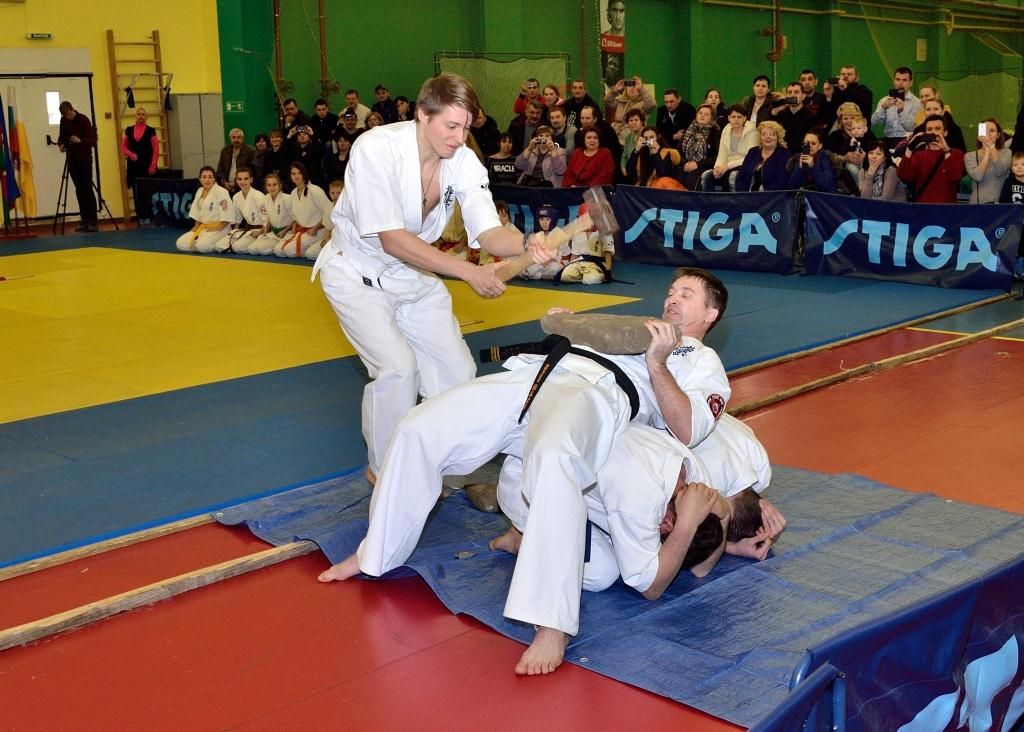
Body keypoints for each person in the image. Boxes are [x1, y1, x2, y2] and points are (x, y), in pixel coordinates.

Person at [318, 267, 732, 677]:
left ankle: (551, 623)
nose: (673, 298)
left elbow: (688, 428)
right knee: (420, 426)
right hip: (540, 372)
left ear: (710, 314)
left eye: (687, 294)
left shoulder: (701, 360)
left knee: (555, 461)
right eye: (672, 290)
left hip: (599, 394)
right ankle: (374, 554)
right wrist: (571, 327)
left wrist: (657, 363)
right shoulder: (632, 327)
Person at [311, 73, 552, 481]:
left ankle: (447, 463)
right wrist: (468, 271)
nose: (459, 138)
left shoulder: (463, 160)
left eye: (466, 127)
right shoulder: (376, 149)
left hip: (413, 275)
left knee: (457, 374)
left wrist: (529, 243)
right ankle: (386, 472)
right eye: (451, 126)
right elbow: (391, 239)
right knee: (398, 370)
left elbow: (488, 231)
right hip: (355, 272)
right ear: (423, 114)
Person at [897, 114, 966, 204]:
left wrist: (946, 150)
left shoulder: (956, 154)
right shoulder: (919, 156)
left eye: (937, 128)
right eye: (929, 129)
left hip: (947, 208)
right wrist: (910, 148)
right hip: (923, 208)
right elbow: (904, 175)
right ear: (925, 133)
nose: (933, 132)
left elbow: (955, 177)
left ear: (945, 132)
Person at [274, 161, 333, 258]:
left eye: (299, 173)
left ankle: (319, 245)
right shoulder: (293, 193)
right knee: (278, 250)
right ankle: (309, 247)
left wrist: (316, 228)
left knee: (289, 251)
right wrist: (294, 226)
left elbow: (329, 211)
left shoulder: (315, 190)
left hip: (317, 231)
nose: (296, 176)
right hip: (302, 231)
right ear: (290, 176)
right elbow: (296, 215)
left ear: (304, 174)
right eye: (293, 174)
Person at [57, 101, 98, 232]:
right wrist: (61, 144)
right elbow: (62, 136)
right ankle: (84, 220)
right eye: (65, 116)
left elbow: (93, 140)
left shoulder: (83, 120)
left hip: (84, 159)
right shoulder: (63, 121)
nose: (68, 118)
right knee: (79, 190)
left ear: (72, 109)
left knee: (87, 189)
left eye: (69, 114)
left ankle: (93, 221)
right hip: (72, 159)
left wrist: (80, 140)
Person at [175, 166, 232, 253]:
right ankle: (201, 245)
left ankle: (220, 246)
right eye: (204, 177)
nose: (207, 180)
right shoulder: (199, 191)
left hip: (220, 228)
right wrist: (196, 226)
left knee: (202, 247)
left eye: (210, 177)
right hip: (203, 228)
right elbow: (196, 211)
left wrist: (218, 228)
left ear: (214, 179)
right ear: (200, 179)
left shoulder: (221, 191)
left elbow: (227, 214)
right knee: (180, 244)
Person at [701, 104, 758, 192]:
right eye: (733, 117)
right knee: (706, 175)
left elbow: (750, 157)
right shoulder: (725, 130)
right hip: (727, 167)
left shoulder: (753, 132)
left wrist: (727, 166)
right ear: (729, 118)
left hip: (745, 167)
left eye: (739, 117)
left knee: (733, 176)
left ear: (745, 118)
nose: (736, 119)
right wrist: (717, 168)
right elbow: (722, 154)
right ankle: (710, 201)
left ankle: (733, 201)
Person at [555, 202, 614, 285]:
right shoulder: (578, 233)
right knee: (565, 276)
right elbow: (574, 254)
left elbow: (608, 254)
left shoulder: (604, 232)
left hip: (597, 263)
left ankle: (595, 276)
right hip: (581, 261)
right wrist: (570, 265)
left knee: (590, 280)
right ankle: (583, 277)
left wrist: (608, 271)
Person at [120, 106, 159, 219]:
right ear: (135, 116)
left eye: (143, 114)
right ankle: (140, 216)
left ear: (146, 117)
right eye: (139, 114)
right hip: (134, 166)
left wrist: (153, 165)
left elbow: (156, 149)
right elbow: (123, 147)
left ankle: (150, 215)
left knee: (148, 191)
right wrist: (131, 154)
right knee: (136, 191)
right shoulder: (129, 130)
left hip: (147, 165)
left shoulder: (151, 131)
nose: (141, 116)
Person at [870, 66, 920, 150]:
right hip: (888, 140)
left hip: (907, 141)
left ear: (911, 82)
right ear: (894, 81)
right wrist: (883, 109)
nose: (900, 83)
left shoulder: (917, 103)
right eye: (898, 79)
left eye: (904, 80)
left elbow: (912, 128)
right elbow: (874, 123)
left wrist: (901, 112)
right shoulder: (884, 100)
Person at [734, 120, 791, 192]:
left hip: (772, 196)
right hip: (748, 195)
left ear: (778, 137)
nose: (768, 137)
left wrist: (763, 196)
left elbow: (782, 182)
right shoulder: (753, 152)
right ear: (760, 137)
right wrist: (742, 194)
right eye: (764, 134)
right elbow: (741, 176)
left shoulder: (784, 154)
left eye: (772, 134)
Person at [965, 117, 1010, 204]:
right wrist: (987, 152)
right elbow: (978, 176)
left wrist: (992, 147)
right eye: (985, 130)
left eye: (992, 130)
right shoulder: (970, 156)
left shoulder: (1006, 152)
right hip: (978, 204)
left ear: (998, 135)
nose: (988, 134)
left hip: (1000, 204)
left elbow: (1000, 171)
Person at [248, 172, 294, 255]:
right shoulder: (266, 198)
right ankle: (274, 245)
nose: (272, 188)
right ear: (266, 187)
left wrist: (285, 231)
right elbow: (270, 217)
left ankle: (278, 246)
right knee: (252, 249)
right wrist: (265, 228)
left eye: (274, 185)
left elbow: (295, 220)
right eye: (269, 185)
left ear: (280, 186)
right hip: (273, 233)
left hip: (286, 232)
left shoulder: (287, 198)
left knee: (267, 249)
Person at [224, 167, 267, 254]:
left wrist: (260, 232)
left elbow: (267, 220)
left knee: (237, 248)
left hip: (261, 229)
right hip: (248, 229)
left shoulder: (258, 196)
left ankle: (258, 244)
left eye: (246, 179)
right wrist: (234, 232)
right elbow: (237, 219)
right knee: (222, 245)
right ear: (236, 181)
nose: (243, 182)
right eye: (240, 179)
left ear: (251, 180)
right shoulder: (236, 197)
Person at [677, 104, 720, 190]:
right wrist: (684, 163)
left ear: (712, 118)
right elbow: (678, 151)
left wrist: (697, 164)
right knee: (678, 175)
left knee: (692, 177)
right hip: (686, 164)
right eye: (700, 113)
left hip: (704, 166)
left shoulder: (715, 132)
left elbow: (716, 156)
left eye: (706, 114)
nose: (702, 115)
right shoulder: (689, 129)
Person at [604, 76, 656, 145]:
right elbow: (607, 101)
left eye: (635, 86)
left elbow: (652, 105)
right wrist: (614, 91)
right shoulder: (620, 101)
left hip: (633, 140)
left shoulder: (644, 103)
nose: (632, 88)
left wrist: (642, 89)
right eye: (629, 85)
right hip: (615, 137)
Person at [771, 82, 815, 155]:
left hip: (800, 155)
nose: (792, 95)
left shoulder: (811, 117)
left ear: (803, 96)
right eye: (789, 92)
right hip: (781, 154)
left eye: (796, 92)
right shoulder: (780, 115)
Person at [999, 151, 1024, 280]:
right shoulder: (1008, 182)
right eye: (1015, 165)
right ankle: (1013, 268)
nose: (1019, 167)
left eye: (1023, 164)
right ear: (1011, 168)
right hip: (1013, 221)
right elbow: (1003, 201)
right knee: (1013, 244)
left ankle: (1021, 266)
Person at [304, 180, 344, 261]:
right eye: (332, 193)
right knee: (309, 253)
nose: (335, 196)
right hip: (332, 240)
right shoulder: (329, 208)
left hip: (344, 241)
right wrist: (326, 240)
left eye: (338, 193)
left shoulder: (348, 208)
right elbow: (327, 229)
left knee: (339, 254)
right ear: (329, 193)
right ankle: (332, 256)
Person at [215, 128, 256, 193]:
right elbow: (220, 170)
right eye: (234, 137)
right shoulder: (225, 150)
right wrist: (224, 182)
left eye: (239, 137)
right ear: (230, 139)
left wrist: (237, 181)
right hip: (226, 186)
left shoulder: (251, 151)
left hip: (243, 186)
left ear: (242, 138)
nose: (236, 140)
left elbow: (252, 171)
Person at [619, 108, 646, 182]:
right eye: (631, 120)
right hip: (631, 171)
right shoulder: (628, 137)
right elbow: (624, 155)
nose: (633, 123)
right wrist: (623, 166)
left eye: (636, 120)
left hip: (643, 172)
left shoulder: (646, 135)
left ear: (642, 121)